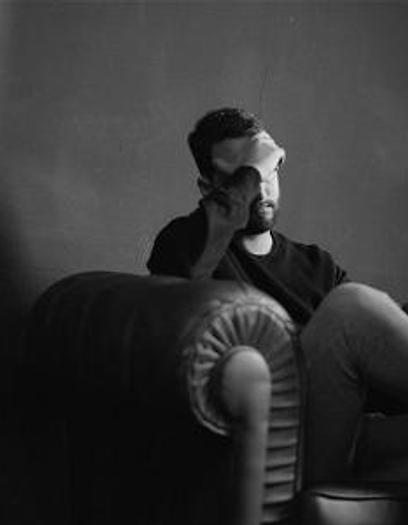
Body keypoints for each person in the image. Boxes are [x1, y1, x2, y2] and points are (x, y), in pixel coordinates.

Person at [147, 107, 408, 484]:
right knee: (350, 306)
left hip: (350, 433)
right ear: (208, 188)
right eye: (246, 174)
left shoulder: (317, 264)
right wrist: (254, 170)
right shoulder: (184, 245)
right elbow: (179, 306)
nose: (262, 188)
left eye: (270, 170)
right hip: (281, 444)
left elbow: (377, 360)